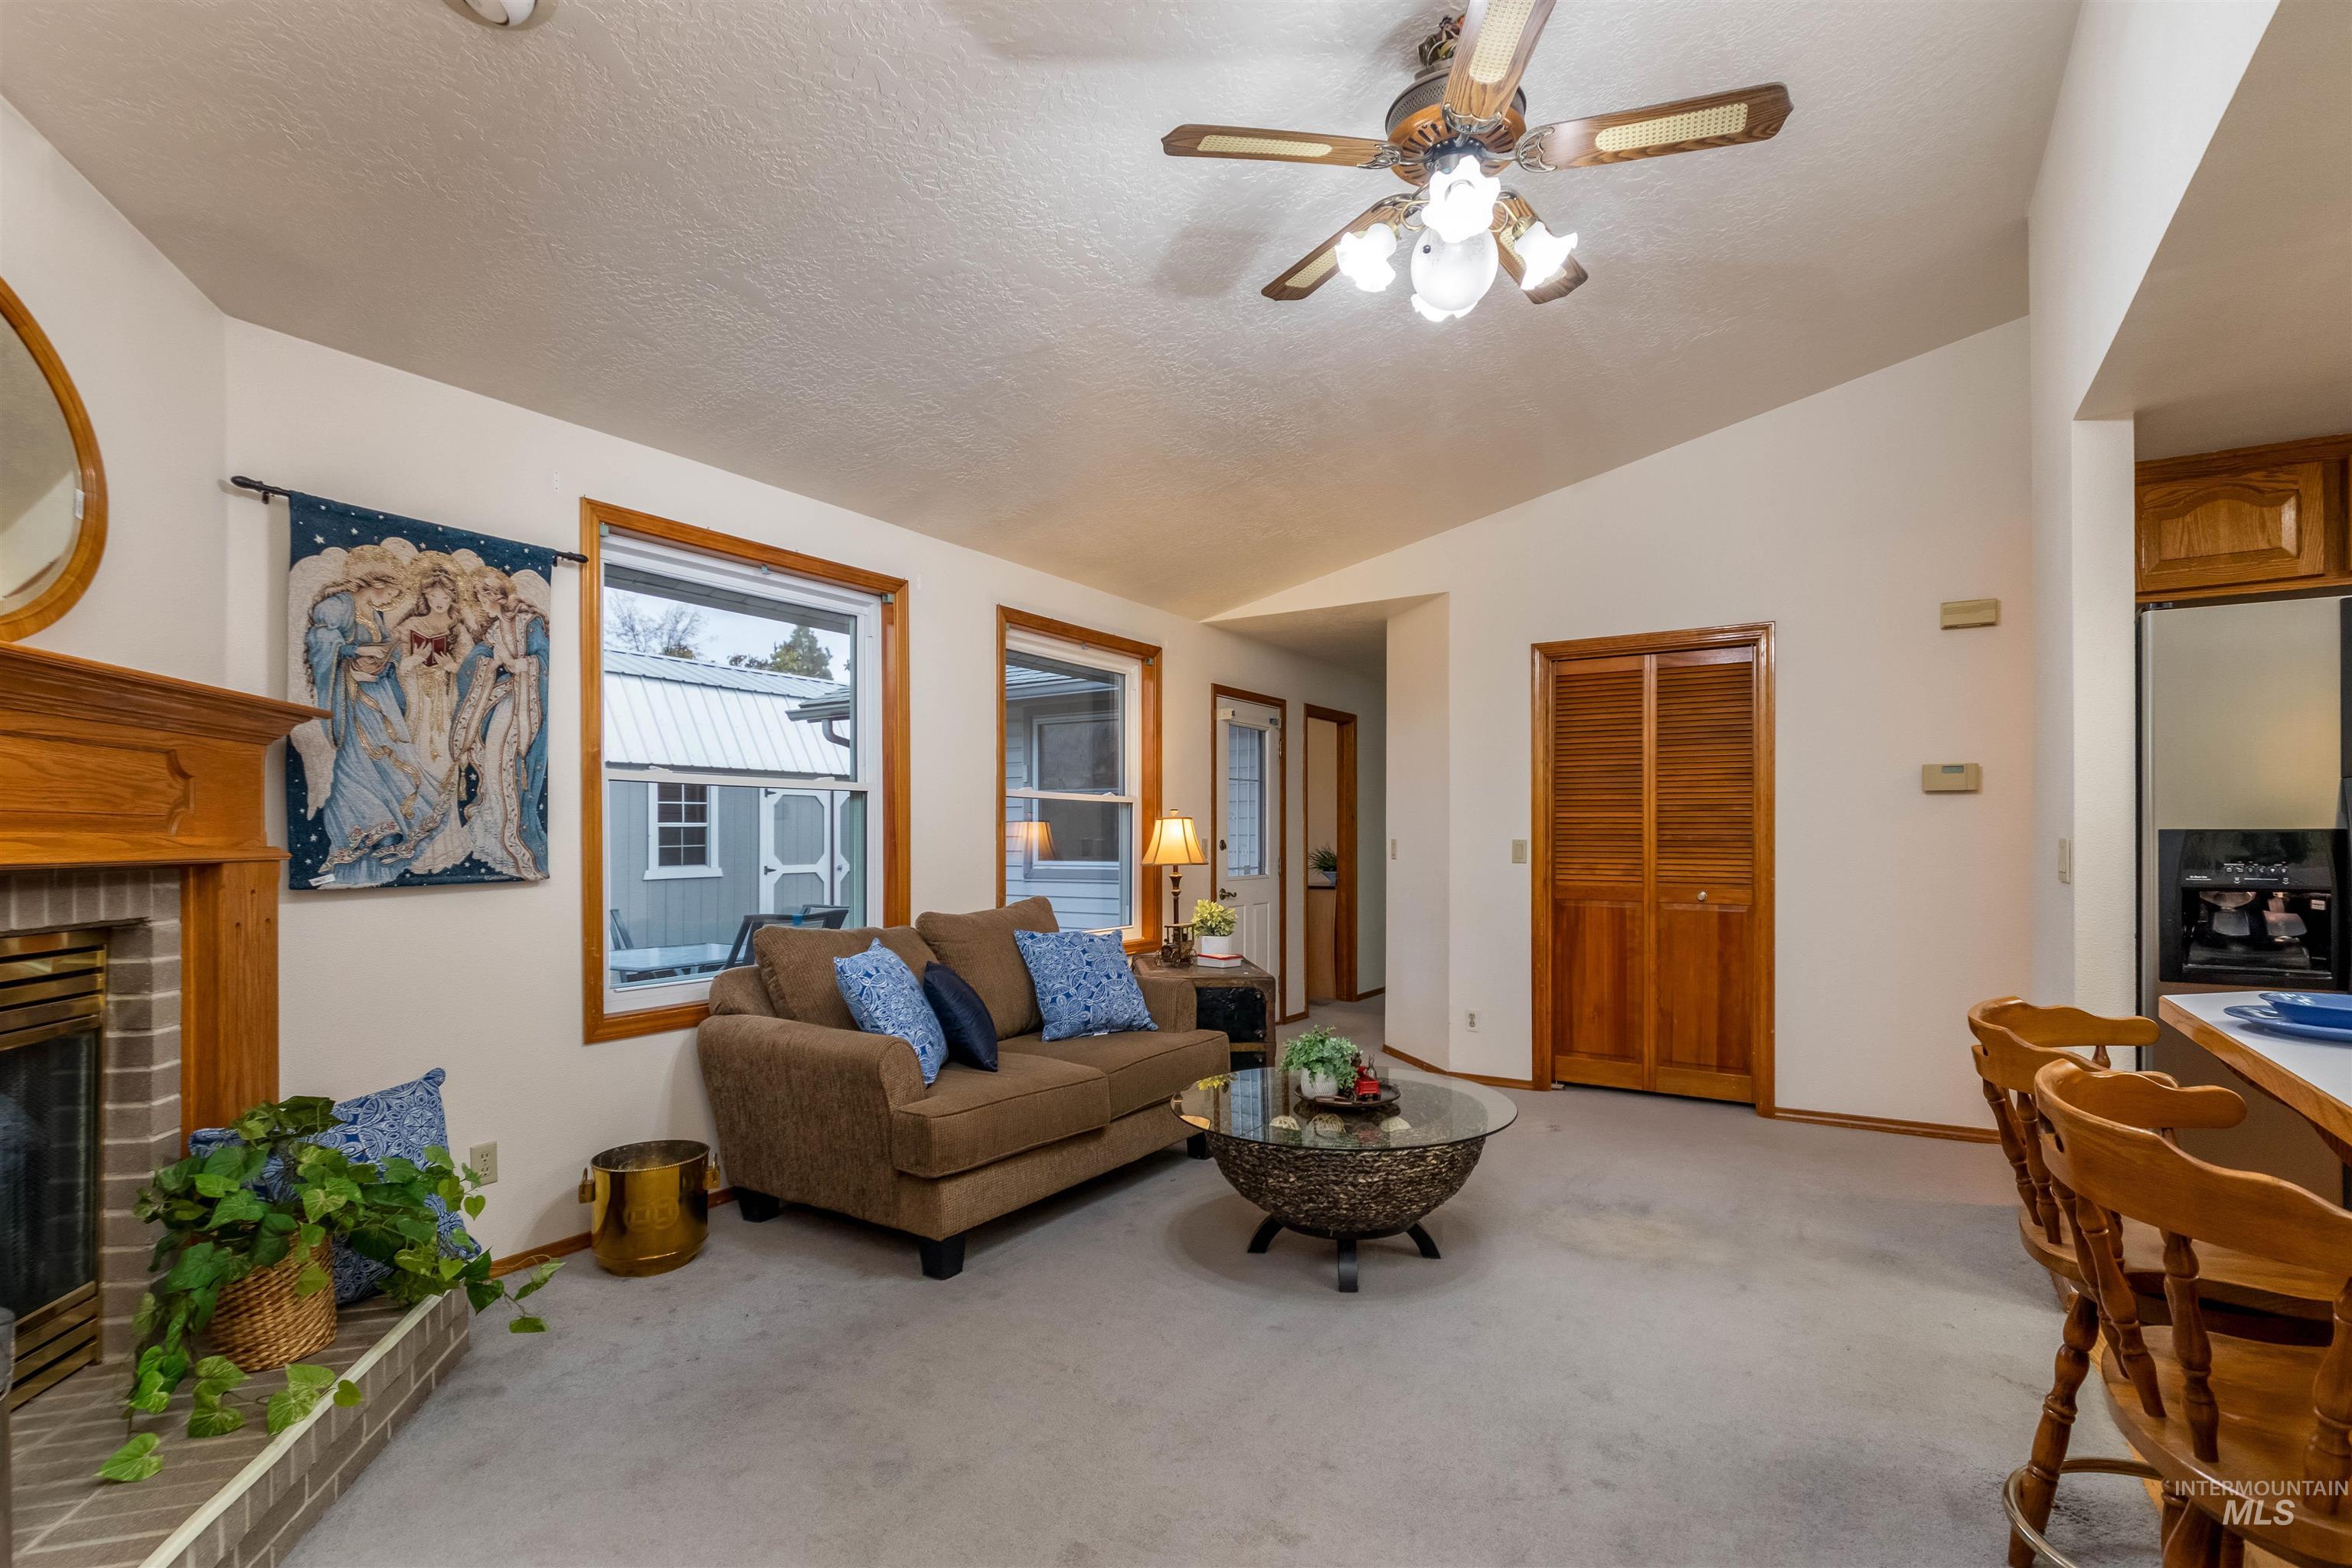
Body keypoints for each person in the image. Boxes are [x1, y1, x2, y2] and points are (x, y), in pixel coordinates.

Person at [300, 545, 439, 887]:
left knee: (388, 761)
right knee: (355, 764)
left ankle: (391, 828)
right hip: (350, 699)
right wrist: (355, 651)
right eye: (390, 593)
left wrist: (388, 658)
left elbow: (386, 649)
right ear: (376, 585)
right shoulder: (338, 606)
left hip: (378, 696)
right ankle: (367, 829)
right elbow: (321, 641)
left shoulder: (373, 614)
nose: (391, 601)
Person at [449, 567, 550, 879]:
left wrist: (520, 665)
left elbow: (545, 660)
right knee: (492, 762)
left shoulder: (528, 622)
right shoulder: (494, 630)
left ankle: (512, 836)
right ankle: (493, 830)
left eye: (486, 596)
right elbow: (481, 659)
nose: (483, 602)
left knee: (505, 763)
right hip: (504, 698)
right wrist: (480, 664)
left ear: (500, 595)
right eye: (479, 597)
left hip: (524, 702)